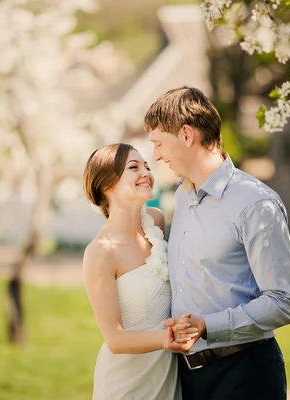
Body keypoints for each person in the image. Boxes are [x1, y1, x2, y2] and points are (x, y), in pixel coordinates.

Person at [143, 86, 290, 400]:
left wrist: (208, 326)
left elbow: (285, 301)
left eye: (159, 143)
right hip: (187, 378)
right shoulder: (182, 195)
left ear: (187, 135)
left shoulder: (254, 203)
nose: (156, 156)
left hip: (245, 375)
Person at [82, 143, 198, 400]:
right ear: (106, 184)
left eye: (146, 165)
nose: (145, 172)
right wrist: (167, 338)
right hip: (126, 383)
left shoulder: (156, 221)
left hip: (167, 375)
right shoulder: (100, 252)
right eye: (133, 167)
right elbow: (114, 339)